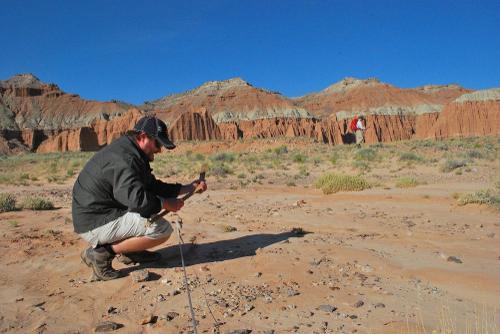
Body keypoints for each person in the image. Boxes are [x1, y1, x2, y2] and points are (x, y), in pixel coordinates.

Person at [72, 115, 207, 281]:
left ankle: (131, 251)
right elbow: (135, 199)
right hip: (94, 222)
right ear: (142, 137)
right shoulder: (126, 159)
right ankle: (100, 254)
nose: (159, 149)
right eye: (158, 143)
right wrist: (165, 204)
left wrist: (189, 187)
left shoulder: (131, 153)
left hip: (101, 214)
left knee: (146, 211)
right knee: (161, 229)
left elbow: (152, 186)